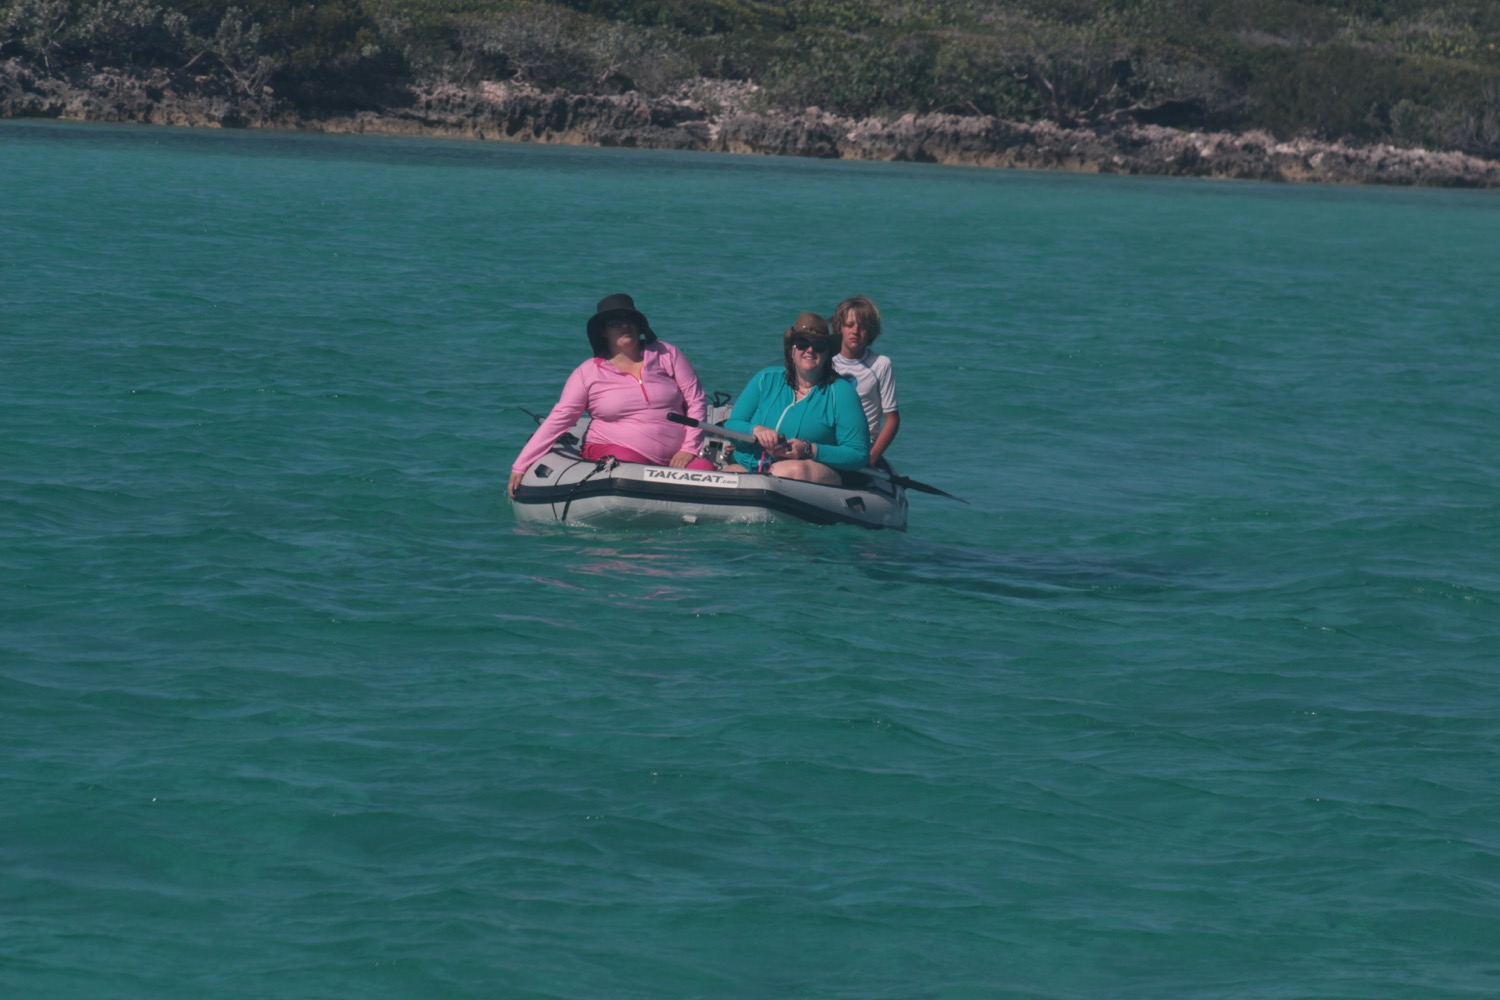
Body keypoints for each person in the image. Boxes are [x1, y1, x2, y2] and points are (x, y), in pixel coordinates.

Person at [508, 293, 713, 498]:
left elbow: (696, 401)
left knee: (706, 471)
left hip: (676, 455)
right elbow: (561, 418)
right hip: (617, 452)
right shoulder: (588, 372)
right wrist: (521, 464)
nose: (625, 326)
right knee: (628, 472)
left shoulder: (667, 354)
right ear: (603, 332)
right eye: (615, 322)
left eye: (630, 320)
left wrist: (688, 450)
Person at [722, 312, 869, 484]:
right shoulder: (765, 379)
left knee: (787, 471)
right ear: (792, 351)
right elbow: (731, 425)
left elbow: (858, 453)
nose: (810, 350)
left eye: (819, 345)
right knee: (724, 476)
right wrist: (756, 430)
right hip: (752, 465)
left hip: (806, 472)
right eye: (802, 344)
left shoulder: (842, 392)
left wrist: (808, 450)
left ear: (827, 353)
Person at [830, 295, 899, 468]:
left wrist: (871, 458)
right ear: (839, 327)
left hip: (862, 445)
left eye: (862, 326)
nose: (855, 331)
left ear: (871, 331)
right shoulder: (825, 361)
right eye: (849, 325)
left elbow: (892, 419)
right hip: (830, 443)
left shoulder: (881, 364)